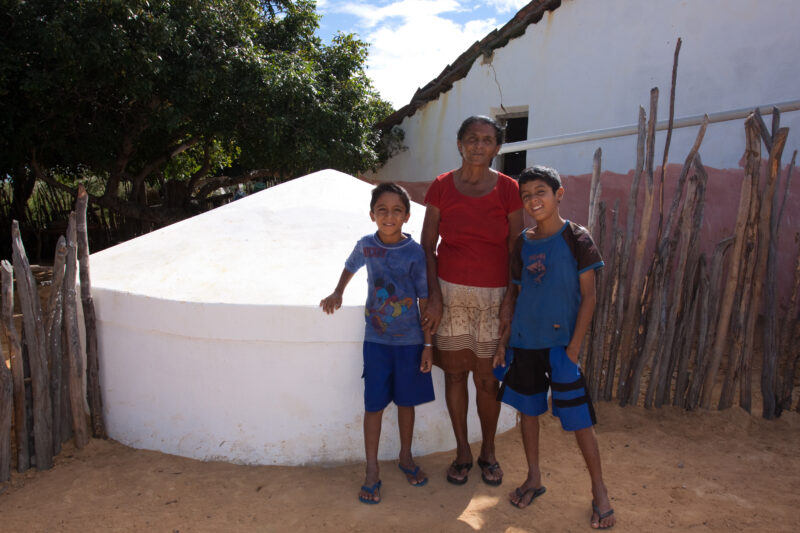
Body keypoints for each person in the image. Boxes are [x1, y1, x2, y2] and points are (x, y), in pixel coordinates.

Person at [494, 166, 616, 529]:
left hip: (562, 347)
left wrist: (573, 349)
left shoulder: (576, 238)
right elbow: (515, 294)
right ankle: (534, 477)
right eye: (526, 195)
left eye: (540, 192)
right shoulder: (522, 243)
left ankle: (599, 491)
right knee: (528, 412)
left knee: (579, 419)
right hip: (525, 342)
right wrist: (504, 342)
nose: (533, 200)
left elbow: (589, 297)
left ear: (558, 194)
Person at [420, 115, 523, 486]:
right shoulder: (441, 186)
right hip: (449, 295)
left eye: (487, 139)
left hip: (494, 297)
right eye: (472, 138)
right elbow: (427, 246)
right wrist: (434, 296)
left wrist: (510, 299)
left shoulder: (509, 189)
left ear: (497, 147)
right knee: (454, 374)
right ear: (460, 143)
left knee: (487, 380)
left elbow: (516, 249)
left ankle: (488, 451)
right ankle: (463, 451)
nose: (479, 145)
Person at [320, 182, 435, 505]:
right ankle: (371, 469)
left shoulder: (414, 253)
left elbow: (424, 300)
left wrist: (428, 345)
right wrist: (338, 292)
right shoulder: (366, 246)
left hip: (410, 342)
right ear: (372, 215)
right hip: (376, 341)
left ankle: (406, 456)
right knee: (373, 406)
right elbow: (350, 266)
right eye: (382, 210)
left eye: (396, 210)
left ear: (407, 216)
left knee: (407, 404)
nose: (389, 216)